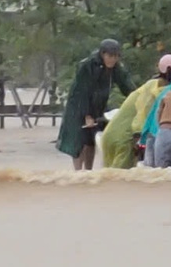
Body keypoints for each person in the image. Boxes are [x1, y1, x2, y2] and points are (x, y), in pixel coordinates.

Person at [57, 38, 137, 170]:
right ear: (102, 54)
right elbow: (82, 91)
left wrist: (137, 98)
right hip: (78, 106)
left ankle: (89, 171)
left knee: (91, 140)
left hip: (98, 107)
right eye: (110, 56)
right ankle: (78, 172)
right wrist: (86, 114)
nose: (113, 59)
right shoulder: (87, 66)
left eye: (116, 56)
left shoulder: (116, 68)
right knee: (78, 141)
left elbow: (126, 85)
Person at [101, 54, 171, 169]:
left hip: (110, 134)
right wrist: (139, 137)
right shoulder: (159, 91)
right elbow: (142, 114)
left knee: (108, 177)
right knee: (120, 178)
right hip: (125, 139)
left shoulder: (150, 85)